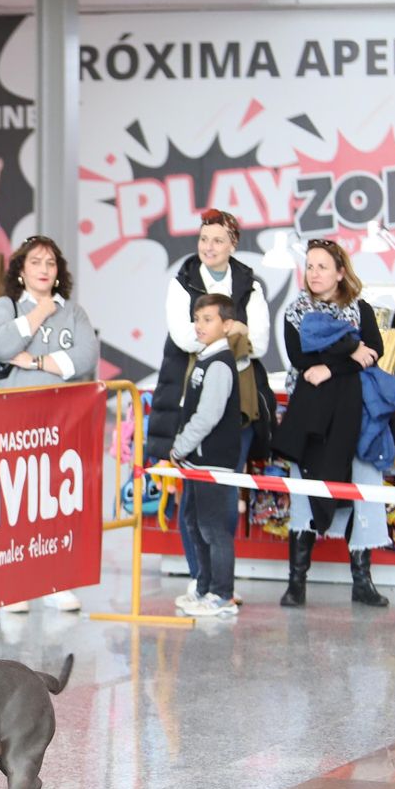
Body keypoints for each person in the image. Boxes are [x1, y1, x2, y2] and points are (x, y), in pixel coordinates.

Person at [146, 208, 274, 611]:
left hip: (238, 410)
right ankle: (203, 582)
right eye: (204, 239)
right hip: (187, 402)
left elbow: (263, 344)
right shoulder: (181, 279)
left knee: (221, 503)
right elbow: (183, 337)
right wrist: (232, 333)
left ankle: (221, 585)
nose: (209, 247)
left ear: (233, 243)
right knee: (191, 507)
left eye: (218, 240)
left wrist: (231, 340)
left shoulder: (250, 284)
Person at [0, 234, 99, 613]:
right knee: (16, 500)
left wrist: (34, 362)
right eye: (35, 262)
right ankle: (12, 586)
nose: (44, 270)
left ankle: (54, 581)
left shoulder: (76, 312)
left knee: (54, 501)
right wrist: (38, 314)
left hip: (61, 419)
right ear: (20, 269)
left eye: (50, 263)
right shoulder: (7, 305)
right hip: (14, 416)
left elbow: (84, 359)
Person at [273, 239, 389, 608]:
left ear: (341, 272)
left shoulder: (361, 309)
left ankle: (362, 582)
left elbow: (374, 351)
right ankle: (296, 584)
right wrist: (348, 352)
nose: (315, 273)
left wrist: (333, 364)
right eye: (310, 266)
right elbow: (301, 360)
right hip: (310, 416)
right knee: (305, 494)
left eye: (323, 266)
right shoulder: (295, 312)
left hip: (357, 415)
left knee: (364, 491)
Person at [169, 295, 244, 619]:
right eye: (197, 318)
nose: (200, 325)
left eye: (208, 319)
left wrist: (179, 447)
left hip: (213, 460)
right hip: (196, 462)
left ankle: (222, 594)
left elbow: (208, 415)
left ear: (226, 325)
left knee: (213, 529)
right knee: (194, 524)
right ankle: (204, 587)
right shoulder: (203, 358)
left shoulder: (220, 363)